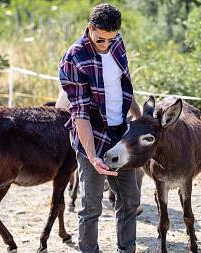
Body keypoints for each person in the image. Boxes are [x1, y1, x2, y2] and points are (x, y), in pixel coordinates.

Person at [58, 3, 141, 253]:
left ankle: (127, 250)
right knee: (91, 205)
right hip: (92, 137)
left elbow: (123, 86)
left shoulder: (117, 42)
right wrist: (93, 157)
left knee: (130, 201)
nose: (106, 44)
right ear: (90, 27)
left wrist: (138, 117)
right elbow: (80, 113)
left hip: (120, 135)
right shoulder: (74, 58)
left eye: (111, 39)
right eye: (101, 39)